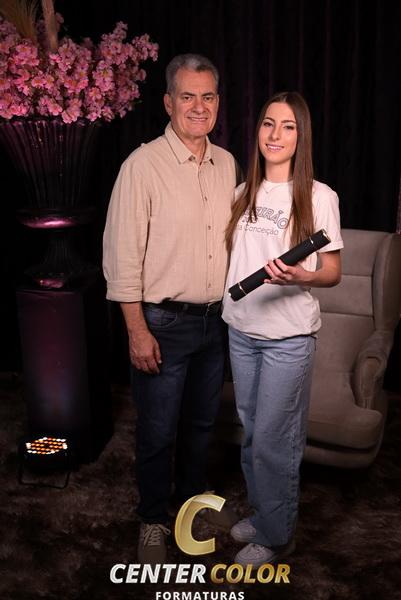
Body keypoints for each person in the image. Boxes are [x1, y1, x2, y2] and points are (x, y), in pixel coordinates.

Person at [103, 54, 239, 565]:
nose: (198, 107)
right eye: (187, 96)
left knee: (202, 426)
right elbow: (122, 258)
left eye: (208, 96)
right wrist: (136, 331)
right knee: (158, 431)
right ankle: (153, 520)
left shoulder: (227, 164)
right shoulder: (141, 167)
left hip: (214, 323)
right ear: (168, 102)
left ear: (218, 102)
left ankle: (189, 507)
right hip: (162, 324)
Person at [222, 91, 343, 567]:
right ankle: (264, 515)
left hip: (287, 339)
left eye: (288, 126)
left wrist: (300, 276)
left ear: (301, 136)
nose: (275, 134)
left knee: (277, 440)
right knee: (253, 433)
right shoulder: (241, 193)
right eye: (268, 123)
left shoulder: (319, 196)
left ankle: (276, 535)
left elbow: (332, 272)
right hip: (241, 330)